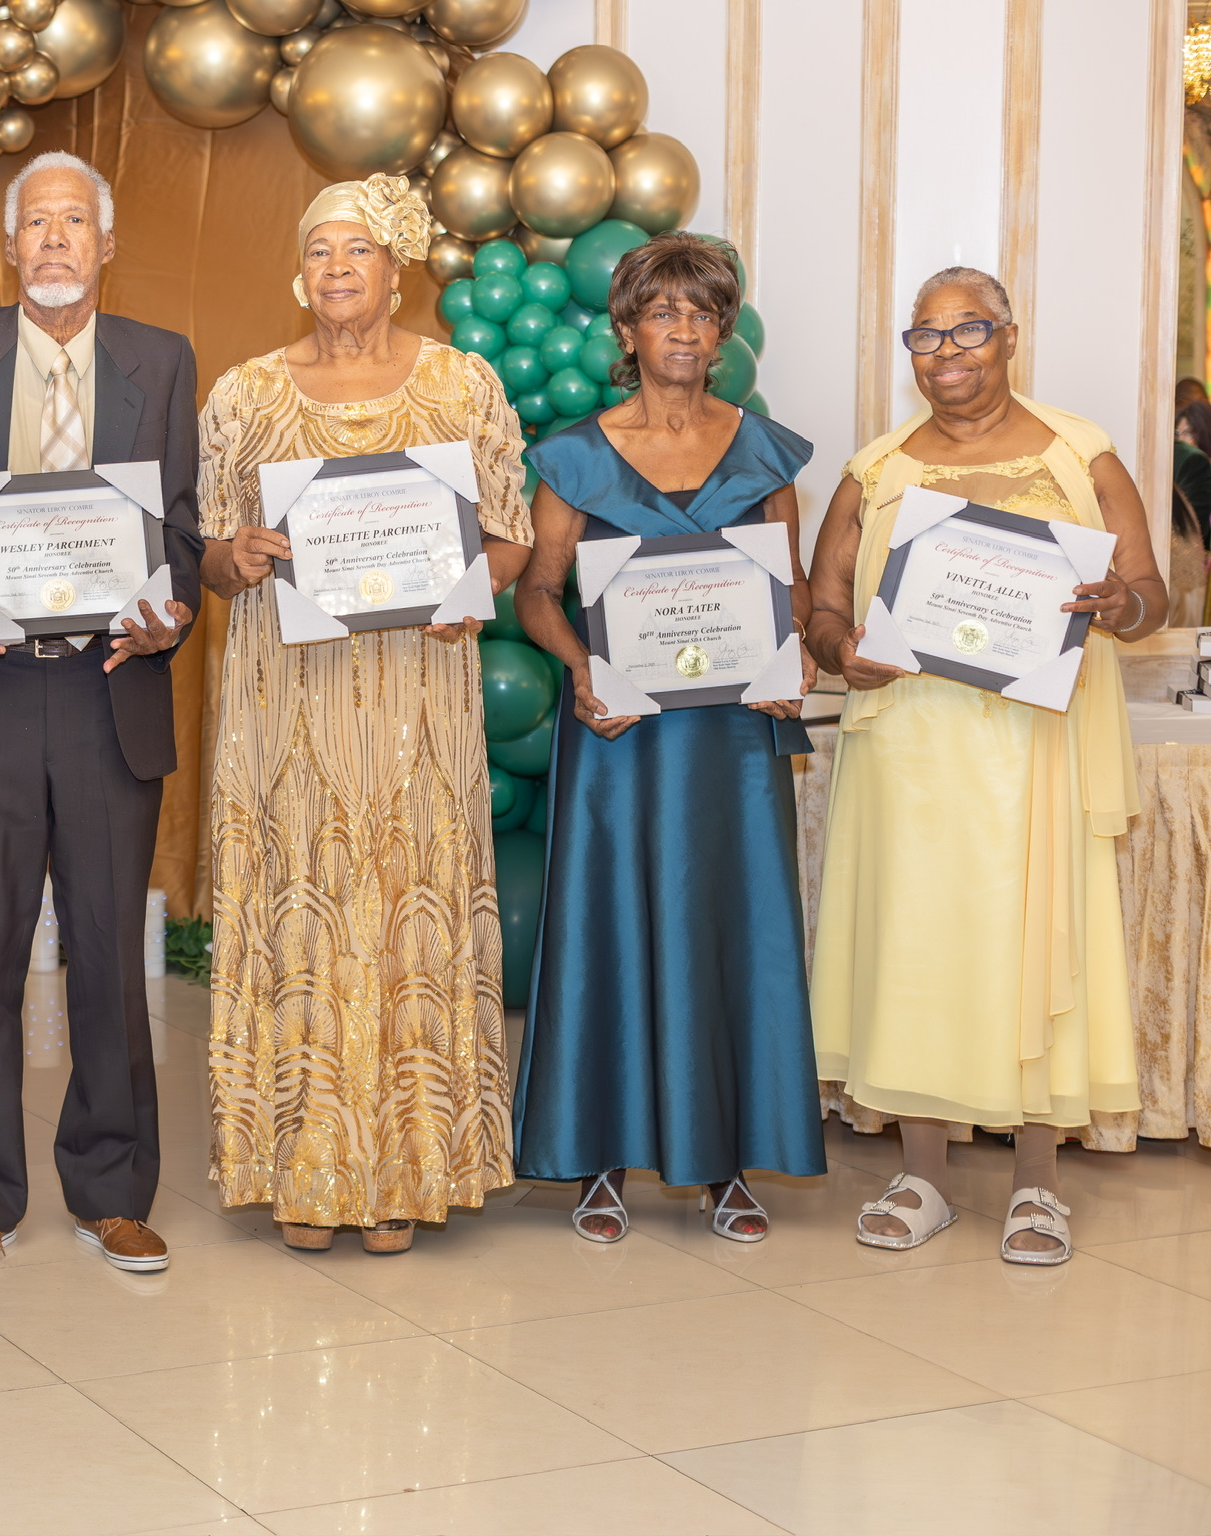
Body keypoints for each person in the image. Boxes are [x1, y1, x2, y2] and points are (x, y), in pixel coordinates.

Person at [198, 175, 531, 1253]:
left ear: (398, 270)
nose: (338, 267)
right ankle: (303, 1171)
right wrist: (239, 558)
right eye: (320, 251)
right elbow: (210, 554)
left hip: (418, 696)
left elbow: (510, 537)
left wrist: (472, 589)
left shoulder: (462, 384)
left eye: (359, 250)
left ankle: (405, 1172)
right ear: (299, 274)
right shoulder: (244, 394)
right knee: (301, 912)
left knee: (408, 908)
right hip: (286, 704)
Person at [0, 151, 202, 1277]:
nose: (56, 239)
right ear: (9, 245)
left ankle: (112, 1191)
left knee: (110, 952)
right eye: (37, 223)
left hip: (111, 684)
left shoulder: (162, 360)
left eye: (75, 221)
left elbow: (181, 524)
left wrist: (170, 612)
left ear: (107, 244)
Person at [809, 266, 1162, 1266]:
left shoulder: (1080, 454)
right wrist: (841, 652)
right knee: (917, 949)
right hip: (911, 752)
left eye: (968, 331)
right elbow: (822, 604)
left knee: (1032, 945)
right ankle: (923, 1177)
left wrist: (1120, 605)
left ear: (1009, 336)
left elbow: (1150, 595)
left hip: (1036, 750)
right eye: (926, 336)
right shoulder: (876, 469)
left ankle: (1037, 1184)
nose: (947, 354)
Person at [510, 233, 826, 1244]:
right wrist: (580, 667)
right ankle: (600, 1157)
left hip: (733, 738)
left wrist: (794, 657)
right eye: (662, 312)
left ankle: (724, 1161)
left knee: (732, 928)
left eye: (701, 312)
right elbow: (537, 591)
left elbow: (792, 584)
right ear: (627, 330)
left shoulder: (766, 450)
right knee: (608, 924)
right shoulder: (573, 455)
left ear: (723, 332)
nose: (683, 330)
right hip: (620, 735)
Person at [1170, 399, 1211, 627]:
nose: (1186, 440)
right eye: (1180, 433)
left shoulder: (1195, 462)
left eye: (1191, 432)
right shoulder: (1188, 461)